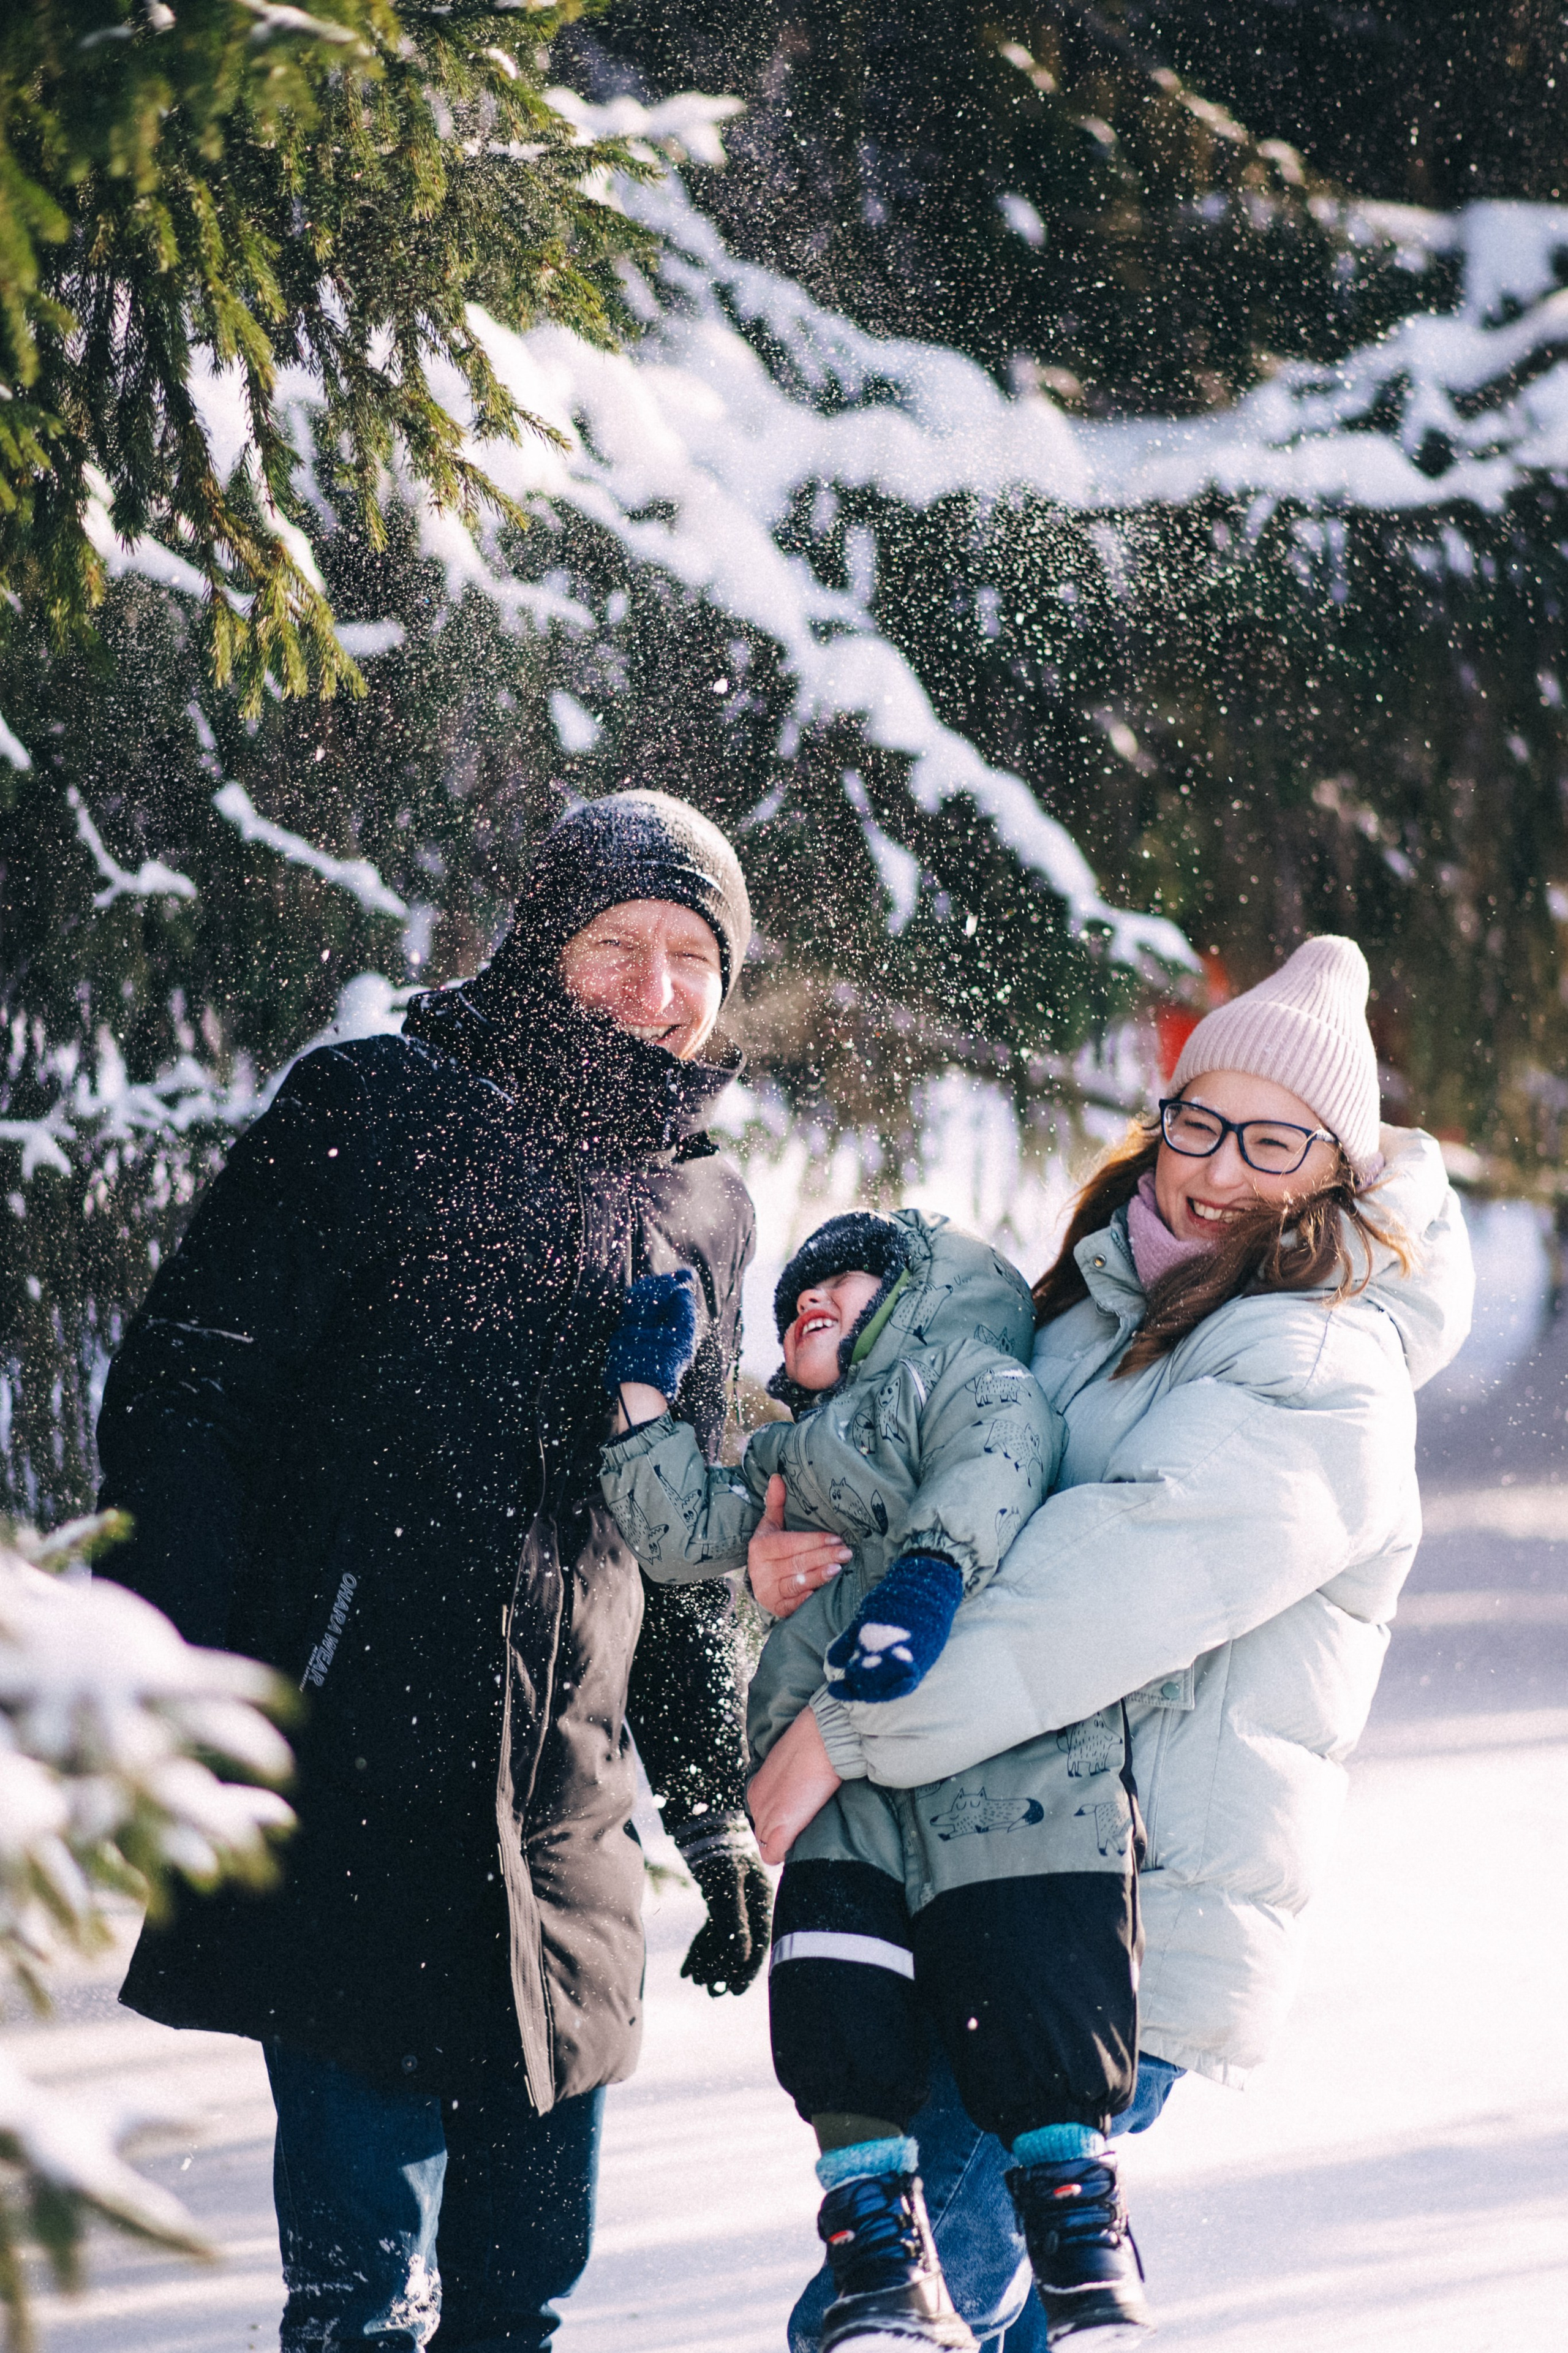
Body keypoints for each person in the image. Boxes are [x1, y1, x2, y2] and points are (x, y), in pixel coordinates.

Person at [95, 789, 771, 2353]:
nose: (657, 991)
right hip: (350, 1783)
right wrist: (187, 1694)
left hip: (566, 1822)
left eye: (693, 958)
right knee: (359, 2297)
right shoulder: (377, 1111)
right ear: (541, 943)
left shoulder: (701, 1205)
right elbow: (188, 1406)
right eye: (618, 944)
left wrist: (709, 1794)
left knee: (521, 2290)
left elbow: (683, 1539)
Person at [747, 936, 1475, 2351]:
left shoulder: (1316, 1368)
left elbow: (1082, 1600)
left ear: (1332, 1168)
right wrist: (796, 1539)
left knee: (883, 2311)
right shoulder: (1101, 1305)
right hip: (998, 1876)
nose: (1215, 1165)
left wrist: (837, 1733)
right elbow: (956, 1494)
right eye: (1197, 1121)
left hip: (1109, 1915)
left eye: (1271, 1139)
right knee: (1000, 2307)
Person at [597, 1209, 1153, 2348]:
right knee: (835, 2003)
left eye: (841, 1279)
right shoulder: (788, 1454)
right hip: (847, 1801)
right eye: (792, 1293)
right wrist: (643, 1401)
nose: (808, 1296)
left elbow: (998, 1458)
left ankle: (1081, 2240)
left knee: (1037, 1983)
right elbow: (681, 1530)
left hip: (1004, 1774)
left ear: (911, 1292)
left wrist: (926, 1582)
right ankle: (874, 2248)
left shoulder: (962, 1371)